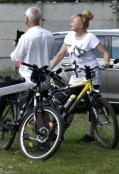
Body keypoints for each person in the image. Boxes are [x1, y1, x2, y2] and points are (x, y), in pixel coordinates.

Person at [49, 10, 111, 143]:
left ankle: (90, 135)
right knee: (70, 105)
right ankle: (60, 133)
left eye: (73, 21)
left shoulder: (90, 37)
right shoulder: (70, 36)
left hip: (91, 74)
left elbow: (105, 52)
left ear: (81, 24)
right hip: (76, 75)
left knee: (91, 105)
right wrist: (49, 67)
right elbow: (60, 54)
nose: (70, 23)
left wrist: (106, 62)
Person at [10, 7, 55, 82]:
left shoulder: (26, 37)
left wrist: (15, 50)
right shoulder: (49, 35)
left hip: (29, 79)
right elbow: (51, 56)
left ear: (27, 18)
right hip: (45, 79)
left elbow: (16, 57)